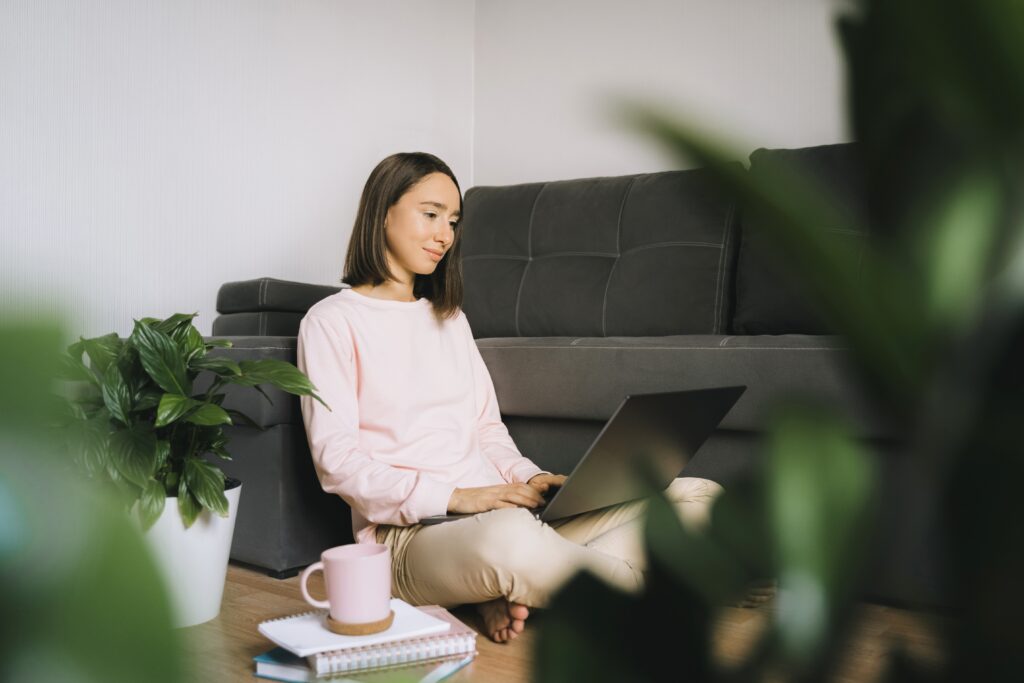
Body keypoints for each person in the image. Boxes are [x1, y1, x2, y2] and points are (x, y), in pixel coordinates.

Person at [296, 152, 725, 643]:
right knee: (509, 539)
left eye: (453, 221)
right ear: (382, 211)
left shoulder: (449, 318)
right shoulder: (331, 321)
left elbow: (486, 430)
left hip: (506, 517)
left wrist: (531, 478)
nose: (445, 235)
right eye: (431, 214)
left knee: (699, 495)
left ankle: (522, 588)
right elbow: (339, 463)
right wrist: (458, 498)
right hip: (411, 537)